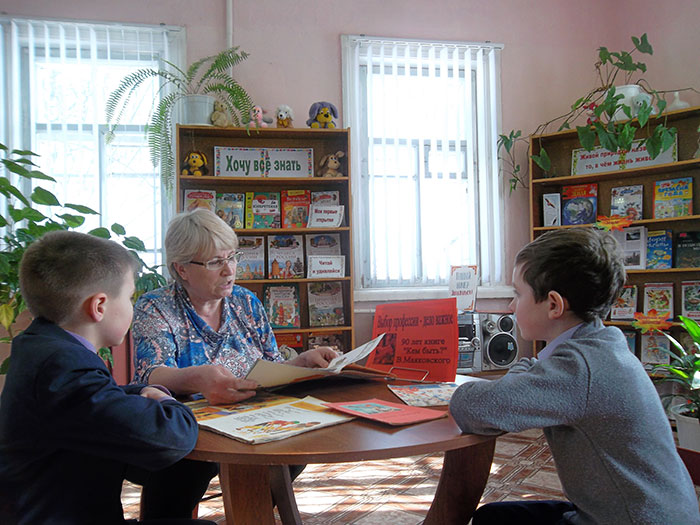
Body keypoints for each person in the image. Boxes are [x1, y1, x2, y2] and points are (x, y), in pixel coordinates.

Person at [449, 228, 700, 525]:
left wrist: (518, 372)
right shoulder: (603, 343)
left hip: (633, 520)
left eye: (518, 293)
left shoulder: (577, 370)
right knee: (495, 517)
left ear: (554, 305)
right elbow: (524, 377)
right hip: (652, 512)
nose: (512, 306)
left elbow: (470, 407)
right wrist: (523, 372)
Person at [0, 231, 216, 525]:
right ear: (99, 306)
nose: (132, 306)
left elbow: (99, 400)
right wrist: (168, 402)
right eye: (129, 297)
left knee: (184, 473)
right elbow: (172, 439)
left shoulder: (41, 346)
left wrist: (144, 391)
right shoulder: (65, 367)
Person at [131, 208, 337, 404]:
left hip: (254, 417)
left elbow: (271, 367)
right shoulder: (155, 307)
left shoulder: (246, 301)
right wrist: (197, 378)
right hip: (190, 424)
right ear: (182, 269)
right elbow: (151, 373)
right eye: (215, 262)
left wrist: (301, 363)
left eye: (232, 257)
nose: (229, 270)